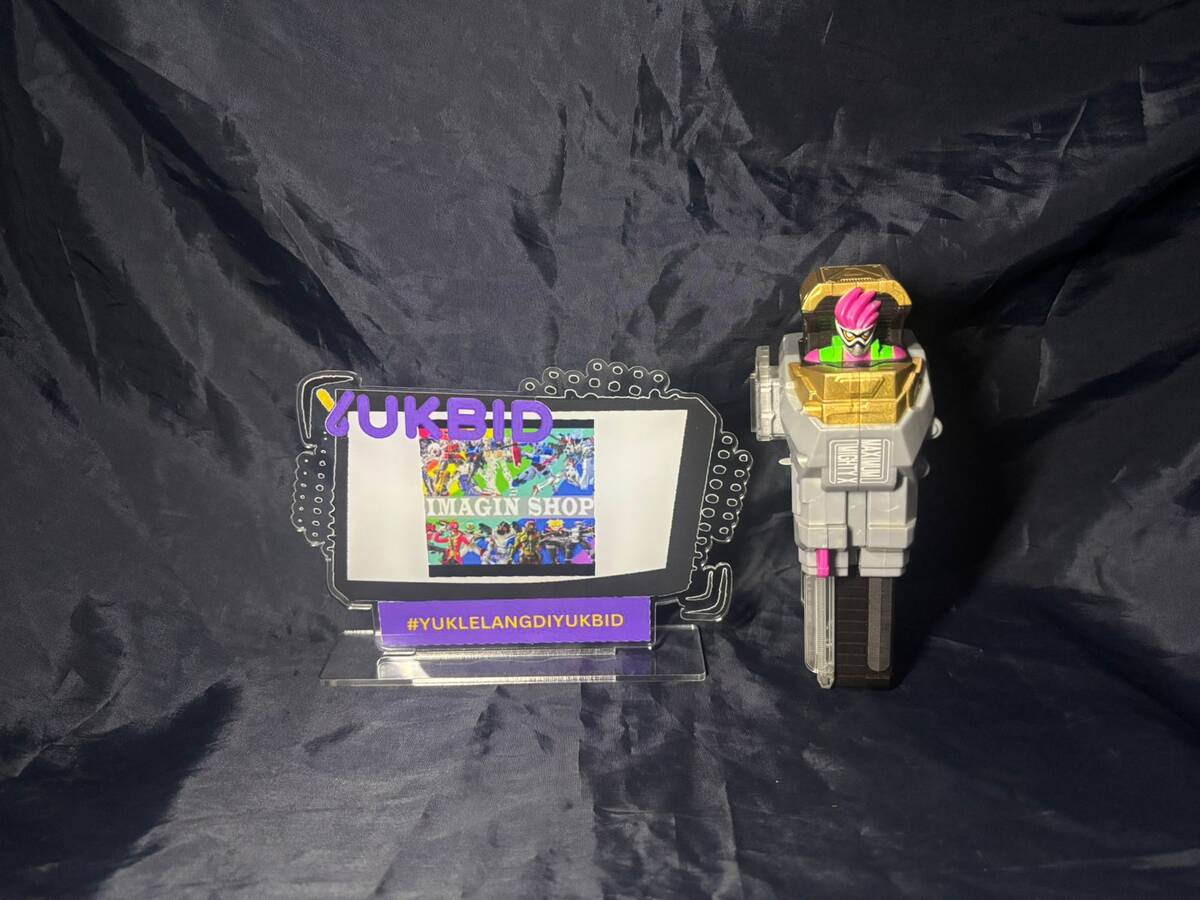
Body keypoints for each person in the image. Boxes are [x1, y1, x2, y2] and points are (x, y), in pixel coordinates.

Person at [804, 286, 908, 365]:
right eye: (850, 335)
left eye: (864, 335)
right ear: (839, 329)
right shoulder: (818, 357)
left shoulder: (894, 354)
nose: (857, 345)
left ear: (873, 329)